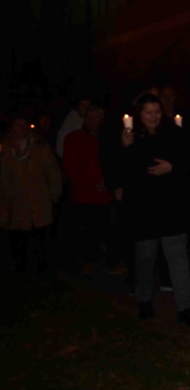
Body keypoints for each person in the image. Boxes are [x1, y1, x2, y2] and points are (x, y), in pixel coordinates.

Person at [119, 93, 190, 326]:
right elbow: (124, 170)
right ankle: (144, 300)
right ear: (140, 114)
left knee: (178, 259)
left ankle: (185, 307)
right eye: (148, 112)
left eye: (157, 111)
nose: (153, 116)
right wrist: (125, 147)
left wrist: (172, 167)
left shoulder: (174, 133)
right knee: (145, 257)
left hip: (172, 206)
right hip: (144, 208)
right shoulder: (131, 137)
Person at [0, 116, 62, 273]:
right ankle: (20, 268)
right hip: (14, 202)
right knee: (18, 238)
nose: (19, 128)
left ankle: (42, 268)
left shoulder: (41, 148)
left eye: (22, 125)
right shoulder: (4, 149)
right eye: (16, 125)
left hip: (39, 200)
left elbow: (53, 173)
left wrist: (54, 193)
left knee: (40, 236)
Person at [62, 105, 114, 270]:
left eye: (96, 117)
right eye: (89, 117)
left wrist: (107, 182)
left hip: (106, 195)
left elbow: (116, 163)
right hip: (84, 195)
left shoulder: (109, 138)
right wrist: (91, 183)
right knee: (86, 232)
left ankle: (109, 260)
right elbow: (70, 167)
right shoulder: (73, 138)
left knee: (108, 230)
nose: (92, 121)